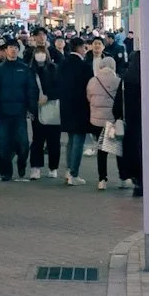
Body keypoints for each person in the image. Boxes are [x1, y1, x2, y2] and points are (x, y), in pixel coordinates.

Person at [0, 37, 38, 180]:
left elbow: (31, 89)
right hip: (2, 113)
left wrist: (31, 108)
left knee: (23, 144)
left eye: (15, 48)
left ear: (18, 50)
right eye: (10, 48)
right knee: (3, 144)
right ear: (6, 50)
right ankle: (5, 172)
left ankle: (21, 163)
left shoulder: (25, 68)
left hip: (20, 112)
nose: (13, 50)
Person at [59, 37, 93, 185]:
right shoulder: (85, 66)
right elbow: (90, 87)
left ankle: (68, 170)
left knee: (71, 140)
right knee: (78, 140)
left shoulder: (63, 64)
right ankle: (74, 173)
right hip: (80, 107)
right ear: (80, 48)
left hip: (65, 106)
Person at [27, 36, 61, 180]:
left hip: (53, 110)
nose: (40, 55)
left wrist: (48, 96)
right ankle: (36, 167)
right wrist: (31, 105)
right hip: (37, 110)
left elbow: (60, 89)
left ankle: (53, 167)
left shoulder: (54, 69)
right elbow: (27, 90)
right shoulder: (29, 71)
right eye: (37, 52)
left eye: (42, 52)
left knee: (54, 140)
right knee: (37, 140)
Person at [88, 48, 121, 190]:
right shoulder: (117, 80)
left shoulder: (92, 81)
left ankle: (102, 179)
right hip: (112, 120)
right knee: (118, 149)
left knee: (101, 151)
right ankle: (123, 177)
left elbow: (89, 98)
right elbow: (120, 100)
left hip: (96, 120)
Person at [112, 49, 144, 194]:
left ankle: (137, 181)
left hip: (130, 122)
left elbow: (118, 104)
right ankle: (146, 181)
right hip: (147, 121)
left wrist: (117, 116)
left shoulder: (126, 79)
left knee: (132, 151)